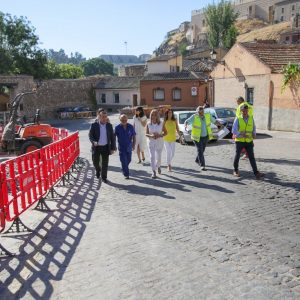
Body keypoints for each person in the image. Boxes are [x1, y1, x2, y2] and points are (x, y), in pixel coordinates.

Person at [232, 104, 264, 180]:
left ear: (248, 111)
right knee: (237, 156)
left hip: (249, 141)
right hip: (240, 141)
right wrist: (241, 134)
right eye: (244, 110)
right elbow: (234, 130)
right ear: (241, 111)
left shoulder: (251, 118)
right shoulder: (238, 118)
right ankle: (236, 170)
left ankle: (256, 173)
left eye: (246, 110)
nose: (245, 112)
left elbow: (254, 127)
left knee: (252, 157)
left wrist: (254, 134)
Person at [184, 106, 217, 171]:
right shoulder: (194, 116)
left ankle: (197, 160)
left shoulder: (207, 116)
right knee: (200, 150)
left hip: (205, 137)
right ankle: (202, 165)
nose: (201, 113)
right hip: (196, 138)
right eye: (200, 112)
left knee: (202, 150)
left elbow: (214, 121)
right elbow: (186, 121)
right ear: (197, 112)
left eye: (202, 112)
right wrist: (185, 126)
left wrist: (221, 125)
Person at [89, 108, 116, 183]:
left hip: (106, 147)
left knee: (105, 163)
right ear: (99, 117)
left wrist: (113, 148)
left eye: (105, 117)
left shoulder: (109, 126)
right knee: (95, 162)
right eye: (102, 117)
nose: (104, 118)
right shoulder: (94, 125)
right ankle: (98, 170)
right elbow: (90, 135)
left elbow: (112, 138)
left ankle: (104, 177)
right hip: (96, 147)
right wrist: (93, 141)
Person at [146, 109, 167, 178]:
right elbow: (146, 134)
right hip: (151, 142)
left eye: (155, 115)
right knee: (152, 157)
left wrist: (159, 135)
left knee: (159, 157)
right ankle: (153, 171)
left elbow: (166, 133)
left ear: (157, 116)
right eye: (152, 115)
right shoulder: (148, 123)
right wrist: (151, 136)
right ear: (150, 116)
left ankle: (158, 166)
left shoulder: (161, 123)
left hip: (159, 142)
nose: (153, 116)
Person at [115, 114, 136, 179]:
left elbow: (134, 136)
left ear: (127, 120)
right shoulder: (117, 127)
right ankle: (126, 174)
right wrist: (113, 146)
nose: (124, 121)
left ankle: (124, 167)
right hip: (121, 147)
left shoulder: (131, 127)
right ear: (120, 120)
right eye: (122, 120)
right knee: (124, 160)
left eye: (125, 119)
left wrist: (134, 145)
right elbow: (113, 137)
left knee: (129, 160)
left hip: (129, 146)